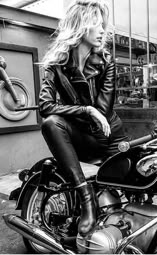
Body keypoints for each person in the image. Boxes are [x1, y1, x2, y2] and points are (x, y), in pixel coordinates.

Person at [38, 0, 127, 237]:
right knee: (51, 124)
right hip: (82, 137)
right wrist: (86, 110)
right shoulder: (56, 65)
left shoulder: (106, 62)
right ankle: (84, 195)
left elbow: (103, 112)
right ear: (80, 26)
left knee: (127, 198)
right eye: (96, 25)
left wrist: (92, 111)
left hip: (110, 139)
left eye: (103, 25)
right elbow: (45, 106)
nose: (102, 31)